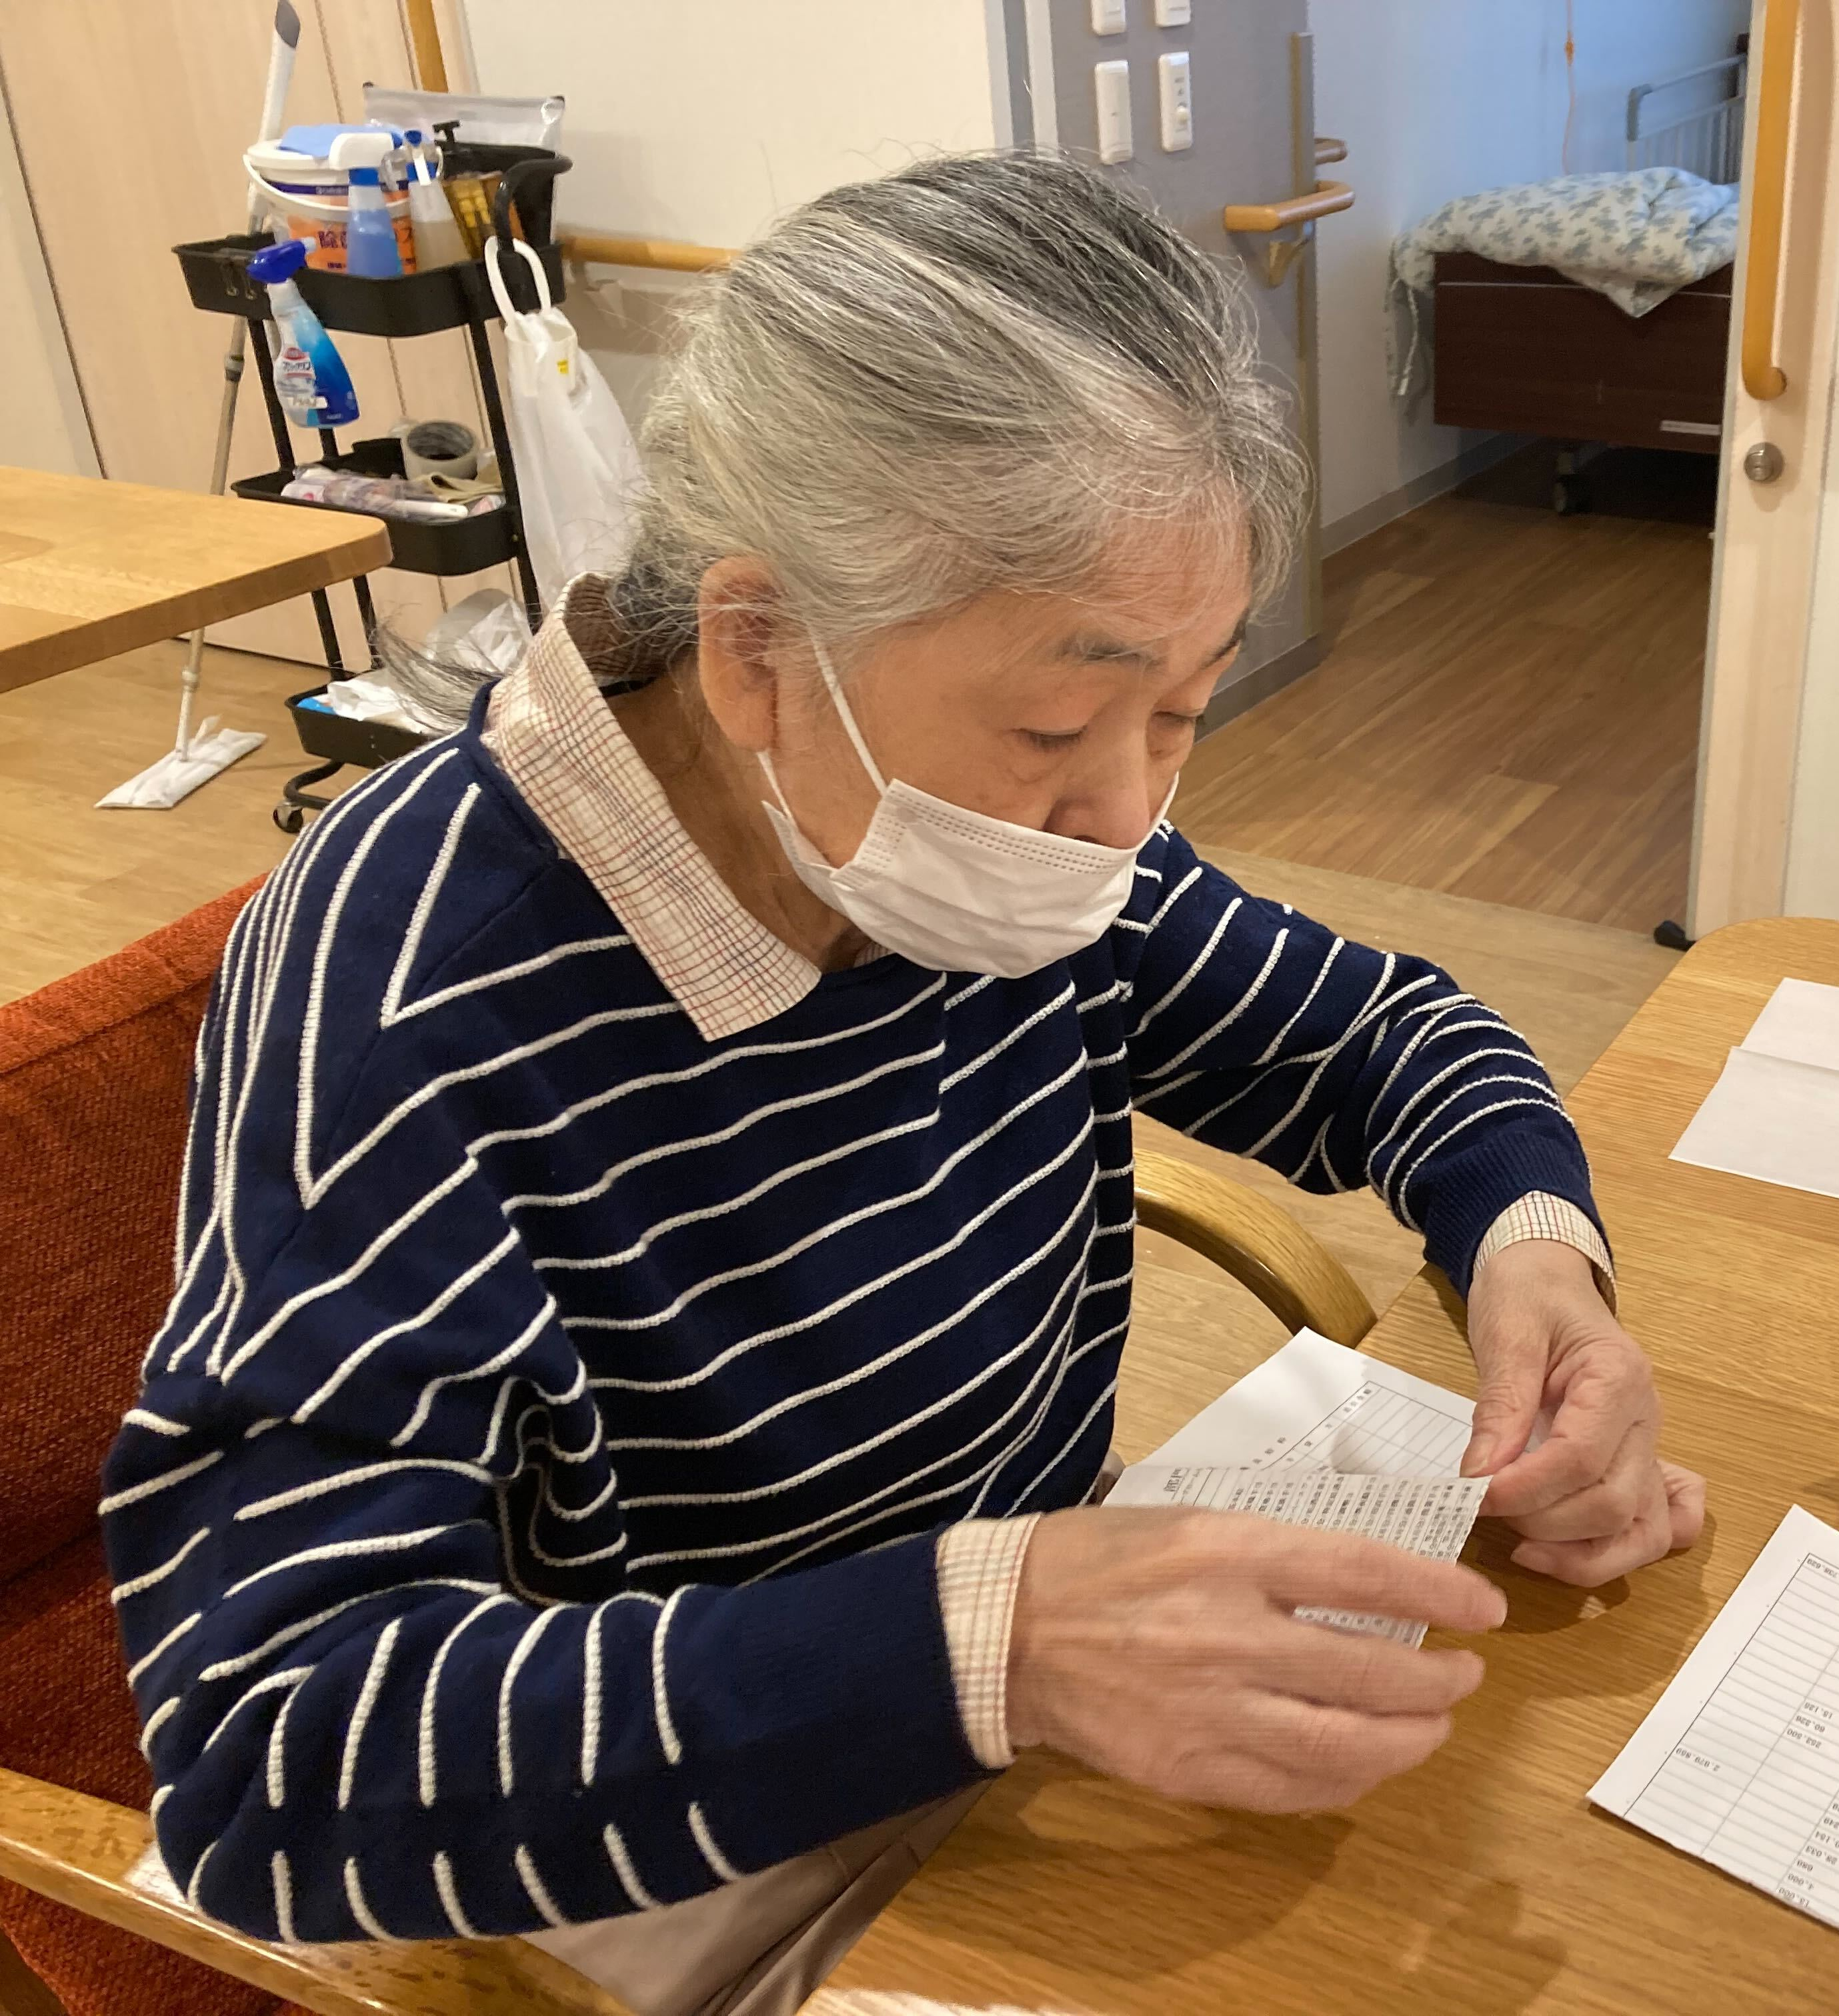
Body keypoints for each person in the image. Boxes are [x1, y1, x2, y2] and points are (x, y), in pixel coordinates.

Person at [101, 151, 1702, 2015]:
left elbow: (1390, 1040)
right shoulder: (407, 979)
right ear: (758, 649)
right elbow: (272, 1756)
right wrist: (993, 1645)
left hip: (1019, 1743)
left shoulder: (1009, 845)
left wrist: (1536, 1262)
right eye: (1059, 722)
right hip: (661, 1856)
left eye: (1183, 711)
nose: (1127, 813)